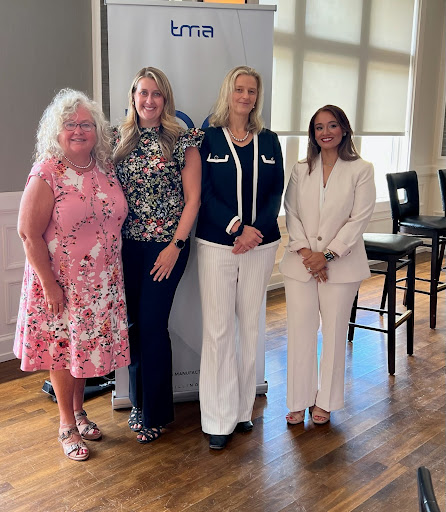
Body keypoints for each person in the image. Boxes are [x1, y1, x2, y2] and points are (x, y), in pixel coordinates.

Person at [14, 89, 130, 461]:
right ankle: (66, 423)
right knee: (64, 353)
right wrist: (50, 286)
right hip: (62, 285)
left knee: (84, 351)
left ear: (97, 131)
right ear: (57, 130)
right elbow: (28, 234)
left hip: (101, 284)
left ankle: (80, 413)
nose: (78, 130)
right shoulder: (48, 171)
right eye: (70, 124)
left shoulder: (104, 168)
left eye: (86, 124)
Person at [196, 65, 284, 450]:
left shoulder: (270, 140)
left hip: (260, 245)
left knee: (251, 326)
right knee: (218, 331)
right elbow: (203, 194)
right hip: (217, 245)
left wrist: (255, 232)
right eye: (239, 90)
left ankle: (242, 409)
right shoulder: (208, 138)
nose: (245, 97)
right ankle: (217, 418)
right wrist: (236, 227)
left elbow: (274, 191)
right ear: (227, 93)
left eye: (252, 91)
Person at [113, 67, 203, 444]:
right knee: (133, 326)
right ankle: (138, 401)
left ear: (165, 99)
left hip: (167, 246)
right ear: (133, 96)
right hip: (126, 248)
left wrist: (175, 247)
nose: (149, 100)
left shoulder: (182, 140)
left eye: (156, 94)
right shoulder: (118, 140)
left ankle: (158, 412)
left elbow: (193, 199)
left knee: (151, 326)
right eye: (142, 93)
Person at [279, 105, 376, 426]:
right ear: (313, 133)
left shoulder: (362, 169)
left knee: (334, 335)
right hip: (300, 266)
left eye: (332, 125)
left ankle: (326, 401)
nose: (326, 132)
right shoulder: (300, 168)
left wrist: (328, 255)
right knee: (300, 333)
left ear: (344, 129)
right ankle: (298, 399)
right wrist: (308, 253)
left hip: (342, 268)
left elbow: (358, 218)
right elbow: (290, 212)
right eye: (319, 127)